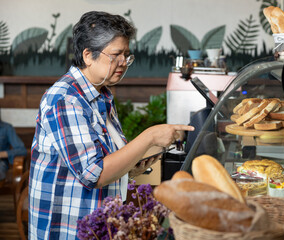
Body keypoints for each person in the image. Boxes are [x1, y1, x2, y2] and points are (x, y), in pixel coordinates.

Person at [28, 11, 194, 240]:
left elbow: (105, 159)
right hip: (68, 228)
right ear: (88, 56)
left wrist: (132, 167)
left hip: (99, 225)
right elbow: (93, 175)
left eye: (127, 55)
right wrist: (149, 137)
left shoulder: (101, 94)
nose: (124, 63)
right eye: (116, 54)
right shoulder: (66, 99)